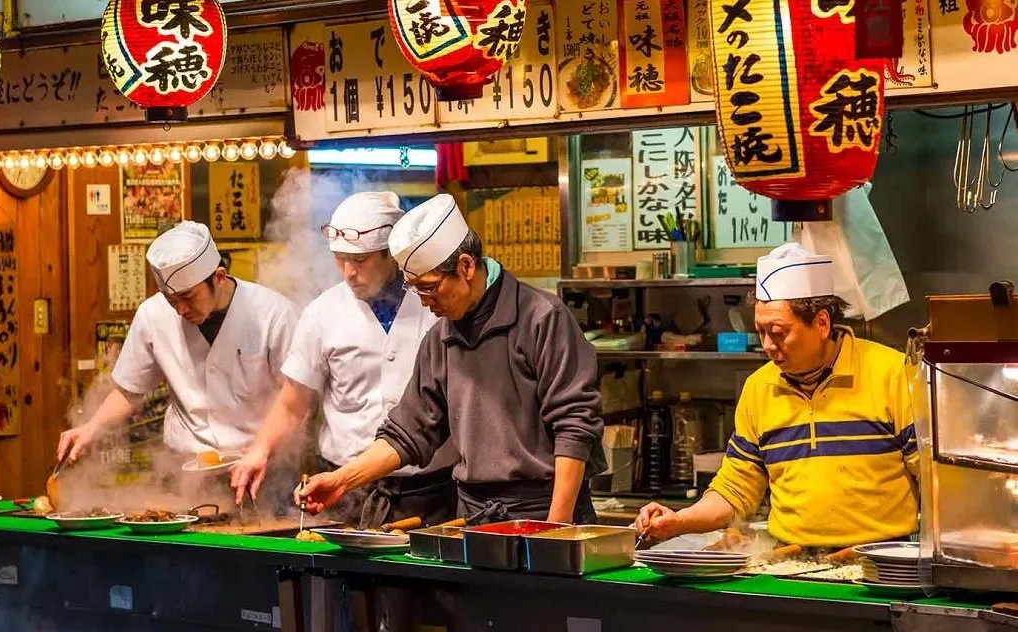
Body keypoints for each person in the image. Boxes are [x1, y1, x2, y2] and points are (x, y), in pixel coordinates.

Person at [296, 194, 605, 524]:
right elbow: (409, 432)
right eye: (415, 289)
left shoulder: (542, 318)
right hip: (473, 514)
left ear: (467, 267)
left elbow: (574, 424)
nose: (425, 301)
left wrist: (555, 527)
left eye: (429, 288)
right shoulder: (440, 337)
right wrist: (341, 480)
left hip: (545, 507)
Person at [635, 243, 919, 548]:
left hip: (881, 563)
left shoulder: (893, 374)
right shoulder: (760, 388)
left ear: (822, 323)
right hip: (791, 564)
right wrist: (680, 521)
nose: (768, 344)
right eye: (761, 331)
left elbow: (935, 479)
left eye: (779, 332)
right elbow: (735, 487)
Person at [229, 191, 457, 527]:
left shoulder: (437, 306)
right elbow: (293, 403)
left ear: (390, 254)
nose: (349, 272)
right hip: (342, 489)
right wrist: (260, 450)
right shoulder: (322, 314)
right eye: (340, 259)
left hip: (429, 490)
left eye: (360, 260)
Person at [57, 221, 297, 463]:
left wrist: (263, 447)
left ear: (220, 277)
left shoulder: (273, 314)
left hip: (257, 459)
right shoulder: (152, 315)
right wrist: (92, 427)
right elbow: (130, 391)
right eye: (170, 299)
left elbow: (294, 398)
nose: (181, 309)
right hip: (184, 464)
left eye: (188, 297)